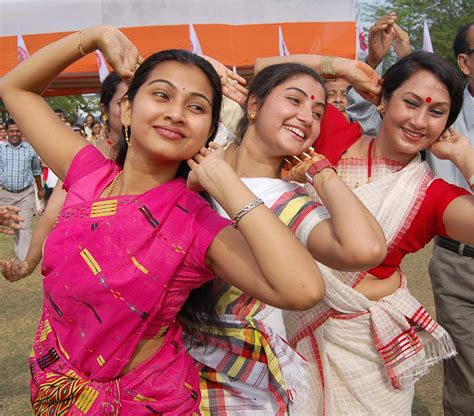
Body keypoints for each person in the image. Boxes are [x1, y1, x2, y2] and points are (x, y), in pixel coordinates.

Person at [0, 25, 328, 414]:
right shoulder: (88, 173)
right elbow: (15, 88)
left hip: (146, 402)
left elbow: (303, 289)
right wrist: (92, 38)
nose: (175, 113)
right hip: (56, 389)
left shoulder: (195, 225)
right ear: (126, 108)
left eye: (196, 107)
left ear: (207, 131)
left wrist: (227, 184)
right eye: (161, 95)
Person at [257, 51, 474, 414]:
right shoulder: (334, 135)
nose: (420, 120)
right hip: (292, 319)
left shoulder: (433, 195)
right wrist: (342, 68)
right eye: (410, 102)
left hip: (365, 348)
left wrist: (465, 157)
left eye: (436, 112)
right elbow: (267, 71)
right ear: (383, 100)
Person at [184, 61, 386, 414]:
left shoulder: (288, 200)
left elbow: (365, 248)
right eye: (294, 100)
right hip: (167, 358)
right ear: (254, 105)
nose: (307, 117)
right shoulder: (200, 150)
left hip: (241, 380)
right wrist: (339, 66)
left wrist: (319, 173)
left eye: (318, 112)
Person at [2, 72, 128, 282]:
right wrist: (28, 264)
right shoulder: (85, 157)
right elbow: (53, 214)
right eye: (124, 102)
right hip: (89, 275)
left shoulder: (161, 158)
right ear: (103, 110)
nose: (132, 109)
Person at [426, 22, 474, 416]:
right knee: (467, 377)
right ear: (465, 62)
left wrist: (465, 160)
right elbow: (373, 124)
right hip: (459, 263)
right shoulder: (441, 110)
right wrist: (369, 61)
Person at [0, 119, 44, 260]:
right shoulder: (1, 150)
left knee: (24, 226)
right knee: (14, 226)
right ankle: (20, 253)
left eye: (17, 131)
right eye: (11, 131)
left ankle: (23, 260)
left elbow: (36, 171)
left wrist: (40, 190)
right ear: (6, 132)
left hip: (26, 194)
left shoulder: (30, 149)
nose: (15, 134)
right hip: (6, 194)